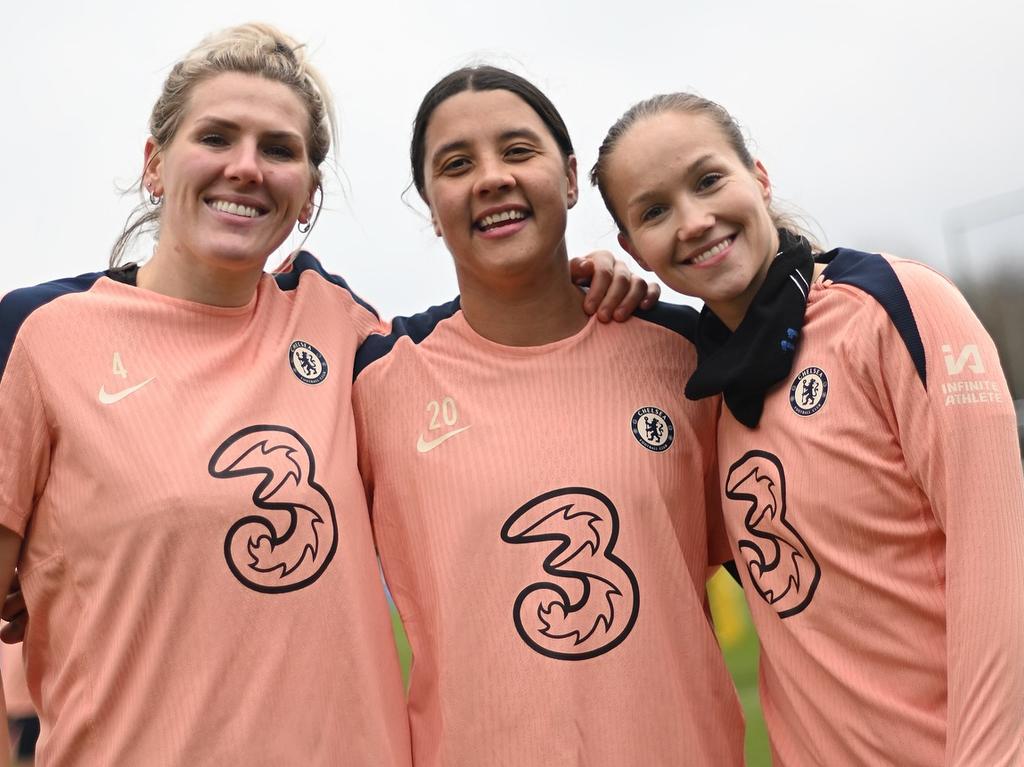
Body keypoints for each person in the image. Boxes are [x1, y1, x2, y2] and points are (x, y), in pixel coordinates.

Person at [0, 25, 652, 765]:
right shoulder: (38, 336)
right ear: (154, 164)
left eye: (278, 149)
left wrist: (579, 277)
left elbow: (493, 344)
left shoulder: (341, 329)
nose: (246, 168)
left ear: (307, 193)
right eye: (216, 137)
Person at [590, 92, 1024, 765]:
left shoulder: (894, 307)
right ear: (633, 248)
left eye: (708, 180)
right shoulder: (699, 386)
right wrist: (577, 294)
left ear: (759, 177)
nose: (694, 220)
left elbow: (999, 567)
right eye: (654, 211)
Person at [351, 67, 744, 767]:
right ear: (430, 206)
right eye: (457, 164)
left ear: (568, 178)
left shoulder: (688, 353)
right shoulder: (375, 378)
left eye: (518, 150)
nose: (492, 177)